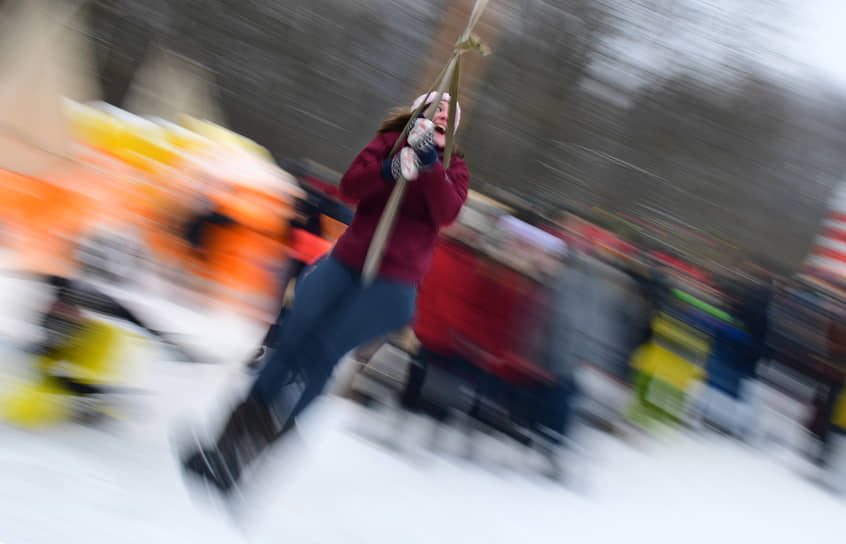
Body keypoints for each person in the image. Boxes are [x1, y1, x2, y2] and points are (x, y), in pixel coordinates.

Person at [179, 91, 471, 494]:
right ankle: (226, 441)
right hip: (347, 263)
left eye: (448, 114)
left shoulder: (454, 167)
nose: (440, 114)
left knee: (321, 353)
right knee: (290, 342)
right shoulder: (388, 143)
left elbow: (446, 211)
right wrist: (393, 167)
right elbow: (352, 186)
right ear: (417, 112)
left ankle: (250, 455)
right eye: (434, 107)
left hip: (392, 285)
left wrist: (428, 166)